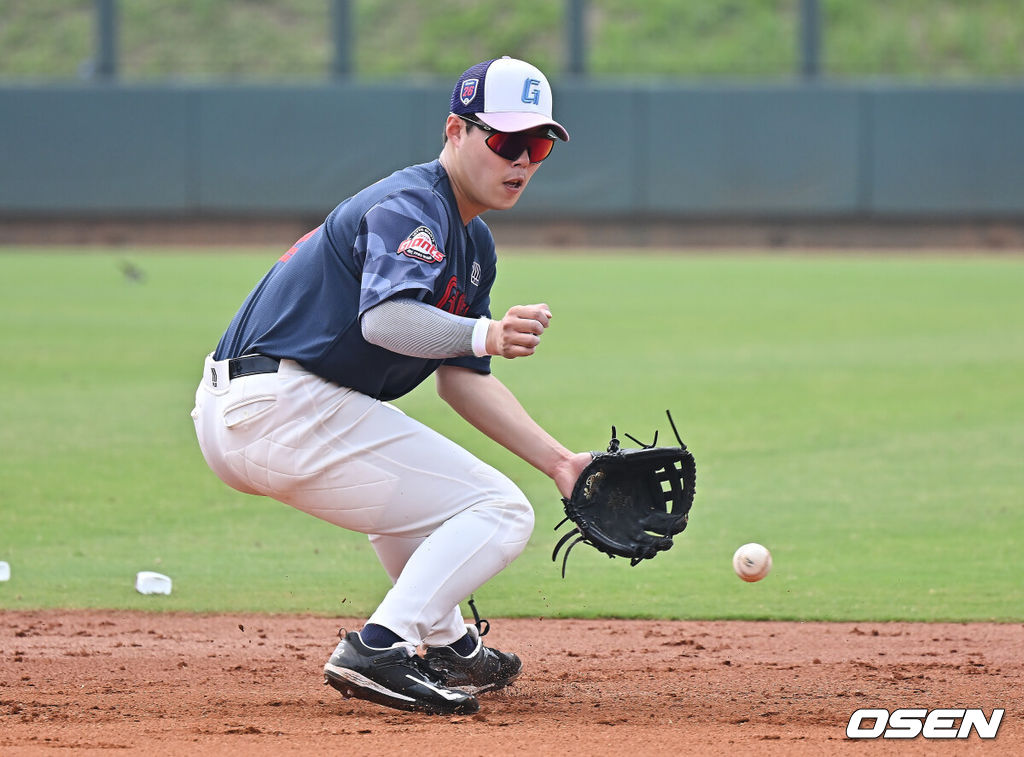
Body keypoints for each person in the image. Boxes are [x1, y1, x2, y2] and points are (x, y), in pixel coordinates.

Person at [191, 56, 592, 716]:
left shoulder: (474, 243)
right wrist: (486, 332)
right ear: (455, 132)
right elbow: (387, 321)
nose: (521, 160)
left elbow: (462, 383)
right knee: (500, 511)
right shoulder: (409, 205)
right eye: (504, 141)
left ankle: (449, 645)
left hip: (269, 409)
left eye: (537, 145)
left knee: (424, 501)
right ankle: (379, 645)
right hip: (277, 403)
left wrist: (560, 463)